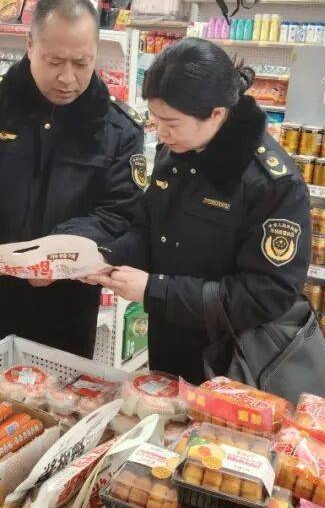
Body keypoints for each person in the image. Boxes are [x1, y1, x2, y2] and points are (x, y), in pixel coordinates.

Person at [0, 0, 145, 363]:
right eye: (54, 61)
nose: (68, 78)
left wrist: (59, 252)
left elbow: (120, 212)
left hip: (61, 314)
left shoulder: (118, 130)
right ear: (30, 44)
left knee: (54, 399)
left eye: (82, 63)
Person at [87, 38, 313, 384]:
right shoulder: (179, 149)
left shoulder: (272, 183)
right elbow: (148, 228)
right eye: (155, 118)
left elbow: (265, 294)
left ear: (216, 114)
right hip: (168, 345)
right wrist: (105, 256)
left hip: (232, 364)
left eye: (172, 122)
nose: (161, 132)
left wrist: (155, 290)